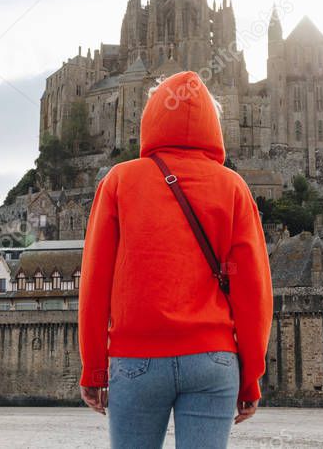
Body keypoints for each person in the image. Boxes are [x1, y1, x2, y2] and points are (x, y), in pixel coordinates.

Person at [78, 70, 274, 449]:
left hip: (136, 360)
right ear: (212, 125)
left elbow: (95, 281)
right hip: (213, 360)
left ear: (152, 116)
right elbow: (254, 291)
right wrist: (251, 374)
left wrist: (94, 368)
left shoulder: (119, 181)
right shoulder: (234, 186)